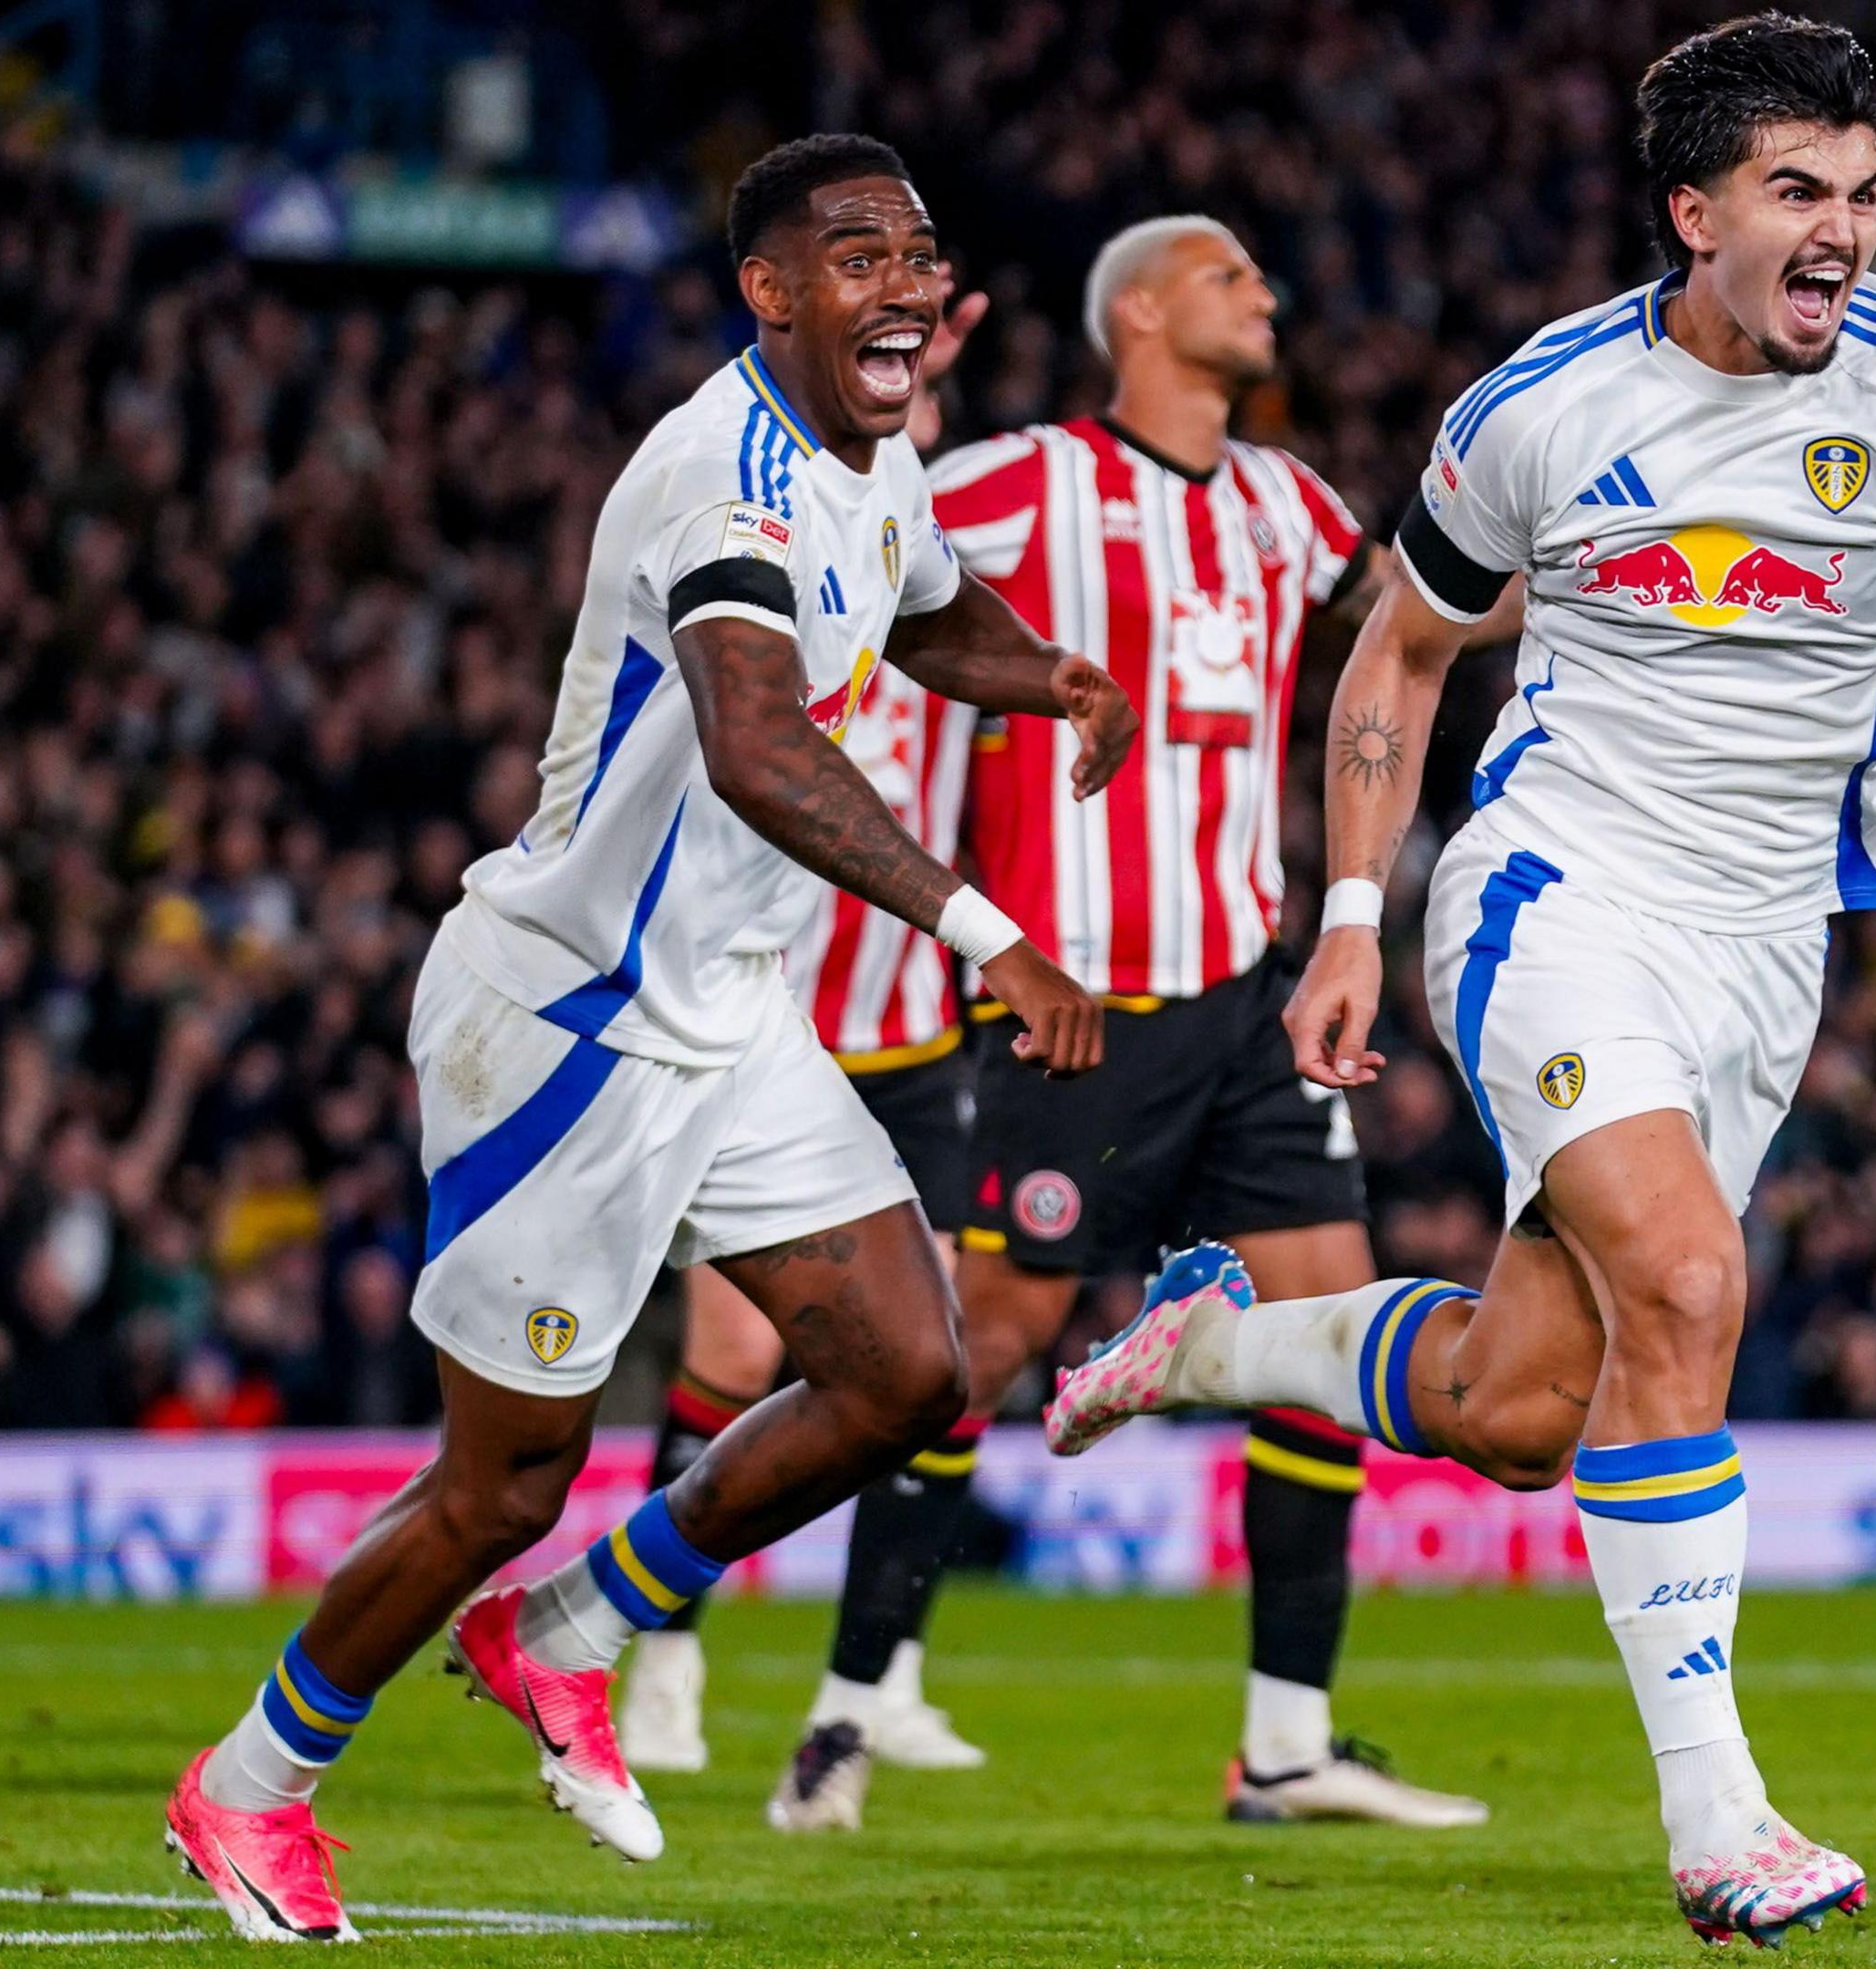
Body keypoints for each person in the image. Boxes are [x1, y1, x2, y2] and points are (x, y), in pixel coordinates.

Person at [1039, 14, 1876, 1943]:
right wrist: (1351, 909)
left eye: (1862, 193)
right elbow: (1400, 652)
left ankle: (1205, 1343)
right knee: (1690, 1276)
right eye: (1796, 192)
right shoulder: (1544, 403)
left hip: (1768, 949)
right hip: (1558, 890)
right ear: (1692, 211)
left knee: (1526, 1403)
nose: (1842, 230)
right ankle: (1721, 1822)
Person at [159, 134, 1136, 1942]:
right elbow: (759, 743)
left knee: (907, 1372)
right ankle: (246, 1784)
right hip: (568, 1024)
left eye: (919, 253)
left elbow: (922, 606)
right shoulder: (724, 477)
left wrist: (1052, 672)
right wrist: (982, 927)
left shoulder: (873, 458)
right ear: (768, 290)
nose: (907, 285)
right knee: (501, 1477)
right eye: (857, 257)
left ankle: (576, 1626)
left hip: (728, 1014)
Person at [763, 212, 1498, 1832]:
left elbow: (1425, 616)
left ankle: (1289, 1740)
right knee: (979, 1347)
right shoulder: (1027, 483)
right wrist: (869, 428)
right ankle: (849, 1694)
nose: (1272, 293)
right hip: (1081, 1010)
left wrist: (1574, 547)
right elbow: (852, 551)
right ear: (1148, 313)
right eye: (1237, 275)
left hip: (1246, 997)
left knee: (1329, 1332)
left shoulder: (1290, 502)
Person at [610, 645, 1002, 1826]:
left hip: (922, 1047)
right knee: (731, 1359)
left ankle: (885, 1675)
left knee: (937, 1357)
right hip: (768, 1038)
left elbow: (989, 808)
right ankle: (663, 1658)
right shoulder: (771, 613)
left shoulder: (949, 614)